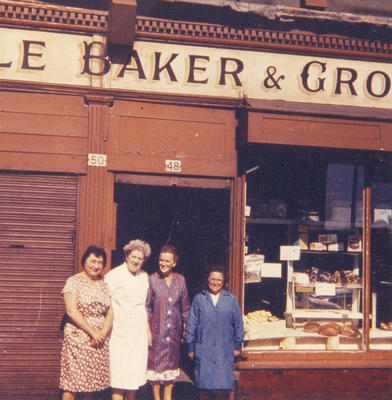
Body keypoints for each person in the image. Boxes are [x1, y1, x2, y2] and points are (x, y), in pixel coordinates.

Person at [59, 245, 113, 400]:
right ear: (85, 261)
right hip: (78, 339)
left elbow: (110, 312)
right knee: (72, 383)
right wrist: (92, 332)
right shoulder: (73, 281)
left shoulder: (103, 284)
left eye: (100, 262)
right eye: (93, 261)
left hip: (98, 341)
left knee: (90, 384)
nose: (96, 265)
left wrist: (102, 333)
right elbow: (71, 311)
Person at [186, 265, 244, 400]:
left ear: (223, 282)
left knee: (222, 388)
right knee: (203, 387)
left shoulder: (231, 299)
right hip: (203, 350)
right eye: (212, 279)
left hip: (224, 350)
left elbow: (238, 324)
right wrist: (190, 346)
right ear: (207, 280)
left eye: (219, 280)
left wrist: (237, 346)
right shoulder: (199, 299)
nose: (215, 282)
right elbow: (191, 324)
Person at [104, 239, 152, 400]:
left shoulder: (144, 276)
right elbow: (106, 304)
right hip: (118, 332)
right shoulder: (113, 275)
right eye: (134, 256)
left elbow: (144, 306)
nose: (136, 260)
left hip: (138, 333)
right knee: (119, 375)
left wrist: (148, 332)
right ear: (126, 256)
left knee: (134, 376)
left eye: (140, 258)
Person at [146, 244, 190, 400]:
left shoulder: (180, 280)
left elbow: (185, 307)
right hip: (156, 332)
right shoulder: (152, 280)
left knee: (170, 370)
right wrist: (148, 331)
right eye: (161, 260)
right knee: (155, 371)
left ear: (174, 263)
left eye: (168, 261)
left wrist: (185, 329)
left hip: (173, 334)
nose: (164, 263)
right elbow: (147, 307)